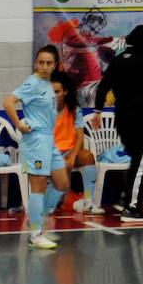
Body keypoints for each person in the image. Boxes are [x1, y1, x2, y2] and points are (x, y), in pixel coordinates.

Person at [91, 25, 143, 222]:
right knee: (140, 163)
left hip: (122, 120)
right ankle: (131, 207)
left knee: (135, 161)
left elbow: (103, 87)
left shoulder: (118, 60)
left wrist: (98, 111)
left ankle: (125, 199)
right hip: (141, 120)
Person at [5, 45, 70, 249]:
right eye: (41, 62)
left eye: (49, 63)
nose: (44, 66)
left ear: (55, 65)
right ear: (36, 63)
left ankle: (38, 219)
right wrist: (19, 124)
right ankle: (35, 233)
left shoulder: (49, 84)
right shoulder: (32, 83)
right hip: (35, 141)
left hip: (49, 140)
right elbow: (8, 102)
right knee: (39, 186)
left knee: (61, 182)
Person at [51, 72, 103, 215]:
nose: (53, 96)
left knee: (88, 157)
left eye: (57, 92)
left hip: (69, 152)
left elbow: (80, 137)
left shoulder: (75, 110)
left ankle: (88, 202)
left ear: (65, 92)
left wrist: (73, 156)